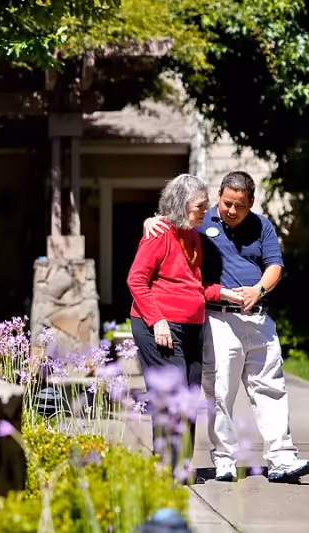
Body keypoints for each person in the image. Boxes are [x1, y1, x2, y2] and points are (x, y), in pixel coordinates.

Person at [144, 171, 309, 483]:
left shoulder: (263, 226)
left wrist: (259, 289)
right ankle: (225, 461)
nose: (232, 210)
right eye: (227, 202)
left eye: (240, 205)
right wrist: (149, 220)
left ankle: (282, 460)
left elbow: (275, 265)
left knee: (271, 388)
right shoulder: (204, 222)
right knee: (220, 392)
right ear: (219, 196)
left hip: (259, 317)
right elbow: (169, 222)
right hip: (219, 317)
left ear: (251, 203)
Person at [127, 174, 235, 481]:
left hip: (191, 326)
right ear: (181, 204)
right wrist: (157, 319)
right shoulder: (159, 233)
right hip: (159, 326)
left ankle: (181, 466)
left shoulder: (194, 237)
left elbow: (194, 286)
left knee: (188, 397)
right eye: (200, 206)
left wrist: (221, 293)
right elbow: (136, 280)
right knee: (169, 397)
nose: (205, 210)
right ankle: (166, 466)